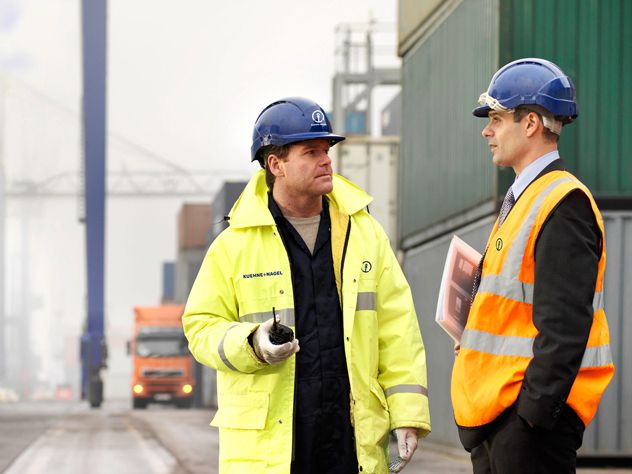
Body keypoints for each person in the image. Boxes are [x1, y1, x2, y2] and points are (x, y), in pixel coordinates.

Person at [182, 97, 430, 473]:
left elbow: (398, 329)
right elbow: (200, 326)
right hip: (273, 449)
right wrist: (252, 344)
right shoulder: (235, 245)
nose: (326, 159)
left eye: (326, 150)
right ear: (275, 164)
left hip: (349, 442)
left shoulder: (364, 234)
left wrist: (408, 414)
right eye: (311, 151)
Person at [451, 58, 615, 473]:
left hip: (525, 427)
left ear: (530, 124)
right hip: (501, 418)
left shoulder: (563, 203)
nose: (487, 131)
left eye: (496, 118)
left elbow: (564, 328)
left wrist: (532, 417)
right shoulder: (526, 199)